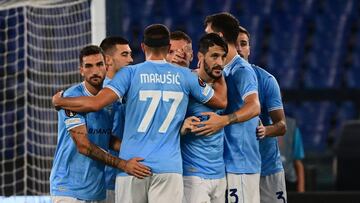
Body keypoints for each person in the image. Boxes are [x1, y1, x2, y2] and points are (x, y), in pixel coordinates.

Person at [52, 24, 227, 203]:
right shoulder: (186, 76)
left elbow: (96, 103)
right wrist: (219, 70)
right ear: (168, 48)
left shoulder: (129, 73)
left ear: (143, 47)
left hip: (132, 165)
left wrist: (60, 101)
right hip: (168, 167)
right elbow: (221, 101)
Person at [49, 45, 150, 203]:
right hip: (68, 189)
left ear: (106, 66)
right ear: (81, 70)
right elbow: (83, 146)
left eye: (99, 64)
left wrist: (135, 150)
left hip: (96, 190)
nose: (95, 71)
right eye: (88, 66)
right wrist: (123, 164)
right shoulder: (71, 99)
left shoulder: (110, 100)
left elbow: (104, 137)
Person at [195, 12, 261, 203]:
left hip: (240, 164)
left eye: (209, 33)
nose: (206, 38)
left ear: (221, 37)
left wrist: (223, 121)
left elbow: (254, 106)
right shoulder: (225, 68)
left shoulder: (242, 70)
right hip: (225, 164)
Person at [236, 26, 288, 203]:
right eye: (235, 44)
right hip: (236, 170)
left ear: (250, 49)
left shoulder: (266, 80)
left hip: (268, 169)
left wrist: (265, 131)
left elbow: (282, 126)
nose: (239, 48)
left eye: (243, 44)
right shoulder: (221, 80)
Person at [180, 33, 228, 203]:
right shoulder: (186, 84)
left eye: (223, 57)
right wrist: (181, 127)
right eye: (214, 56)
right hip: (193, 176)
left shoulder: (223, 85)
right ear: (200, 57)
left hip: (220, 175)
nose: (220, 62)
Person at [99, 36, 133, 203]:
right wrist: (133, 149)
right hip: (107, 177)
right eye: (125, 55)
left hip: (130, 172)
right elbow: (100, 136)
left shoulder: (130, 89)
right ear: (108, 60)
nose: (131, 60)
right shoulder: (100, 94)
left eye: (131, 54)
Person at [279, 117, 305, 193]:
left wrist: (301, 190)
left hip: (288, 180)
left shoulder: (291, 126)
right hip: (264, 179)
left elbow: (298, 162)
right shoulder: (257, 123)